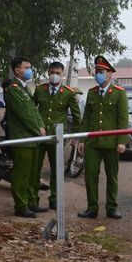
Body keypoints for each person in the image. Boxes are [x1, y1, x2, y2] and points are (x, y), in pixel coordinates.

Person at [77, 55, 129, 219]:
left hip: (111, 142)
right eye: (96, 71)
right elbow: (86, 118)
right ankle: (92, 207)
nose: (98, 74)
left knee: (111, 176)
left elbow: (123, 119)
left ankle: (111, 207)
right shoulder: (92, 93)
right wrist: (82, 140)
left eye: (101, 72)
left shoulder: (119, 93)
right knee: (90, 175)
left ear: (109, 74)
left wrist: (122, 141)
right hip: (93, 143)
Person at [32, 61, 81, 209]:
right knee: (35, 169)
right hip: (40, 136)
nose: (55, 75)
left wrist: (73, 137)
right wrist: (36, 127)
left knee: (57, 170)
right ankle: (33, 200)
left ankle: (55, 200)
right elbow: (32, 110)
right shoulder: (39, 90)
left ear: (63, 74)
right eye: (52, 72)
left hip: (57, 138)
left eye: (58, 73)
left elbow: (77, 117)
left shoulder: (68, 93)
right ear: (48, 73)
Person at [3, 56, 46, 218]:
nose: (30, 71)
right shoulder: (13, 89)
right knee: (21, 174)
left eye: (30, 68)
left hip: (33, 138)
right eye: (27, 68)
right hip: (22, 138)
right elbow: (24, 115)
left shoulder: (25, 89)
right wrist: (37, 130)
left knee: (33, 174)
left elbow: (34, 111)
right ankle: (21, 206)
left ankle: (32, 202)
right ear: (17, 70)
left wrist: (41, 126)